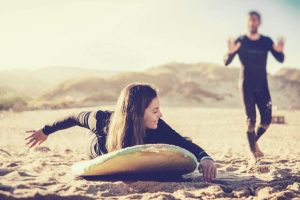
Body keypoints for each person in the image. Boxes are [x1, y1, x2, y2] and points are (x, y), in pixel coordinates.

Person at [25, 83, 217, 182]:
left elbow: (180, 141)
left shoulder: (158, 126)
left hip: (127, 144)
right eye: (155, 110)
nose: (161, 114)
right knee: (98, 140)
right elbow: (75, 117)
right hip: (101, 146)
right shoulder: (102, 120)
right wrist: (46, 131)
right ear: (137, 112)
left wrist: (205, 157)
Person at [224, 11, 285, 159]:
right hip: (246, 85)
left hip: (262, 85)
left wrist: (280, 51)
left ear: (259, 23)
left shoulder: (266, 41)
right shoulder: (241, 40)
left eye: (255, 20)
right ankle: (254, 153)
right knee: (251, 120)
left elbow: (280, 59)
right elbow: (226, 61)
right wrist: (230, 52)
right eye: (250, 20)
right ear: (247, 23)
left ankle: (253, 142)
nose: (252, 23)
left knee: (266, 120)